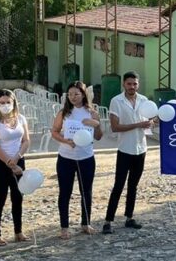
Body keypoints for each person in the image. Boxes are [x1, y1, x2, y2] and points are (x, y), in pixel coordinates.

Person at [102, 71, 153, 234]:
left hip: (141, 149)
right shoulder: (116, 101)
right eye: (129, 84)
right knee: (118, 185)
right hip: (125, 149)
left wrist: (151, 123)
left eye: (135, 84)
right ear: (124, 84)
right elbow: (115, 127)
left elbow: (149, 121)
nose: (132, 87)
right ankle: (108, 220)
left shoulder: (144, 100)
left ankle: (129, 217)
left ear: (138, 85)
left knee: (133, 186)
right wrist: (138, 124)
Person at [50, 80, 103, 239]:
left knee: (86, 191)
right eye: (70, 94)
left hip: (86, 157)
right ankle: (64, 227)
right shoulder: (63, 112)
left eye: (77, 94)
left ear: (83, 95)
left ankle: (85, 223)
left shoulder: (92, 112)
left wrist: (96, 124)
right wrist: (65, 141)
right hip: (66, 157)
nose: (73, 97)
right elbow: (54, 131)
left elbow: (99, 136)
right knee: (65, 192)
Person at [0, 89, 30, 246]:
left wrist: (17, 158)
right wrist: (8, 162)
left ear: (14, 103)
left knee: (18, 197)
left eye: (8, 102)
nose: (5, 105)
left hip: (18, 161)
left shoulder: (21, 118)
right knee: (0, 199)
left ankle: (18, 231)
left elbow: (26, 140)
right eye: (1, 103)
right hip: (0, 163)